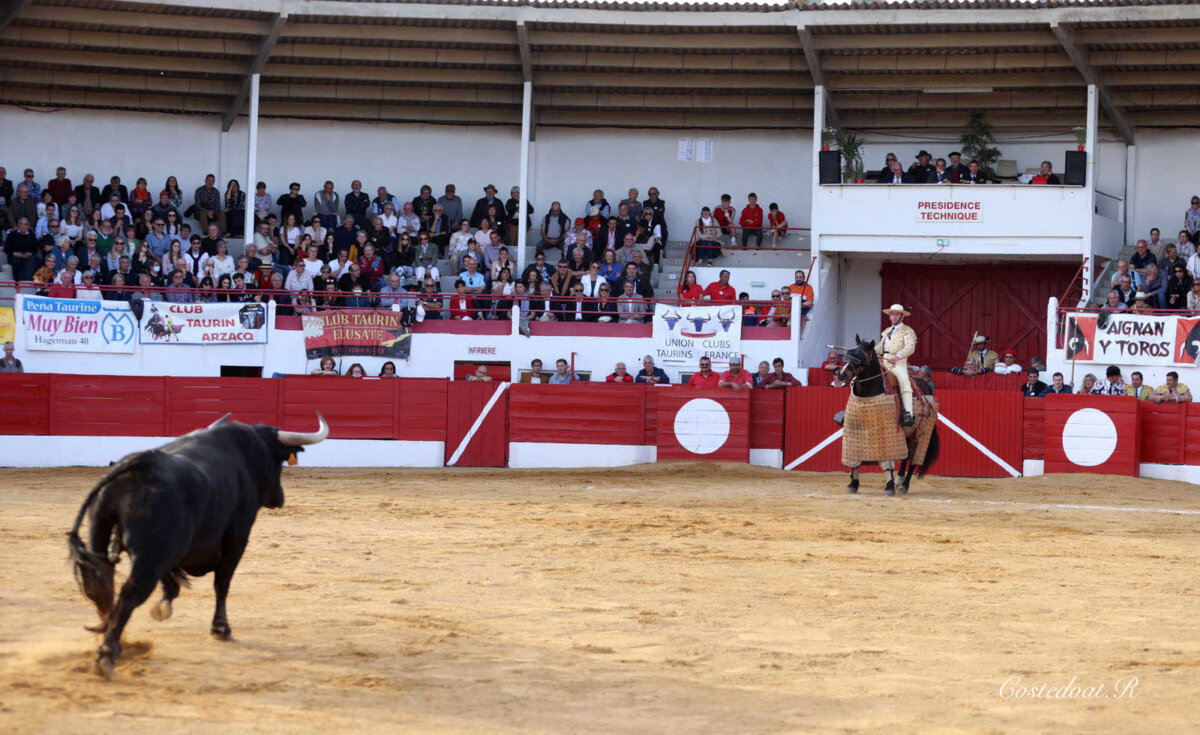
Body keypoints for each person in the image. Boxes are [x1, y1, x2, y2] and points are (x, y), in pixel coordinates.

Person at [876, 303, 917, 426]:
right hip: (884, 361)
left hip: (898, 363)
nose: (894, 317)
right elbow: (880, 348)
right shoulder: (887, 331)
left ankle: (908, 414)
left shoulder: (907, 331)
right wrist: (866, 350)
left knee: (904, 381)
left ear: (902, 317)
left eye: (896, 314)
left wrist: (898, 356)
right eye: (892, 314)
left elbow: (910, 347)